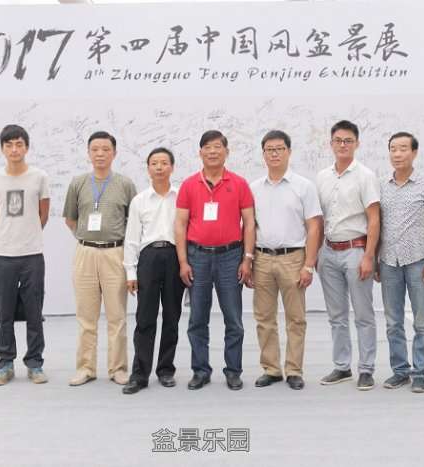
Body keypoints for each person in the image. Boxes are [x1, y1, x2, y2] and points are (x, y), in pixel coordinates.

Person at [174, 130, 255, 391]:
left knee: (234, 319)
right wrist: (183, 262)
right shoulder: (189, 185)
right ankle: (200, 370)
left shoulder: (239, 183)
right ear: (200, 152)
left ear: (226, 152)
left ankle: (233, 371)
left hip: (231, 256)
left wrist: (247, 259)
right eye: (207, 147)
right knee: (197, 318)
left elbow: (249, 223)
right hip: (197, 257)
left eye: (218, 146)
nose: (212, 151)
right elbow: (180, 224)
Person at [63, 131, 137, 386]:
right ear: (88, 153)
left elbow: (133, 223)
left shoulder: (125, 184)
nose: (100, 154)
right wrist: (88, 240)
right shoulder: (78, 183)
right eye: (95, 149)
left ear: (114, 153)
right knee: (86, 317)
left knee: (117, 316)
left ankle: (118, 369)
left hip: (115, 253)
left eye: (106, 149)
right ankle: (85, 368)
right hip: (85, 253)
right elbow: (70, 219)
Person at [249, 130, 321, 390]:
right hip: (262, 259)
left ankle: (293, 370)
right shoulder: (254, 188)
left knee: (296, 318)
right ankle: (271, 369)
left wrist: (309, 265)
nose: (275, 154)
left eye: (280, 148)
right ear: (263, 154)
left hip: (293, 258)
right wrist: (248, 260)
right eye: (270, 149)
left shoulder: (304, 186)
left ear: (289, 152)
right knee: (264, 318)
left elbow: (314, 226)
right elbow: (249, 226)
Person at [316, 120, 380, 391]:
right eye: (338, 140)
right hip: (329, 252)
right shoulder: (322, 177)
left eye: (348, 141)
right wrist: (316, 254)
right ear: (331, 143)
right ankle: (342, 366)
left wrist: (369, 256)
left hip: (356, 251)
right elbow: (319, 219)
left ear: (357, 144)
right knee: (337, 315)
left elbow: (374, 218)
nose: (343, 145)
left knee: (363, 314)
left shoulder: (365, 176)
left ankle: (366, 369)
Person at [0, 124, 50, 386]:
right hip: (3, 255)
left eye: (19, 144)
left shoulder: (39, 177)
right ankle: (5, 364)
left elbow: (43, 214)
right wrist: (10, 235)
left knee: (34, 312)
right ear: (2, 148)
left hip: (33, 254)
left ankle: (35, 363)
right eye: (9, 145)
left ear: (27, 147)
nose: (14, 149)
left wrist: (28, 235)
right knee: (4, 314)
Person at [375, 132, 424, 393]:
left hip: (418, 261)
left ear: (414, 152)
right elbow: (376, 223)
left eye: (403, 148)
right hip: (389, 262)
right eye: (393, 149)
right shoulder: (381, 185)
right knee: (393, 322)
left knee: (422, 322)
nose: (397, 154)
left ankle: (420, 372)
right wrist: (376, 258)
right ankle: (400, 371)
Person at [121, 148, 185, 394]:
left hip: (174, 257)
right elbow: (131, 239)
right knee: (145, 318)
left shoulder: (181, 197)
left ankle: (166, 370)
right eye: (154, 163)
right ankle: (140, 374)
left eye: (164, 163)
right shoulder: (140, 200)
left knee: (172, 316)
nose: (159, 167)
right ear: (148, 168)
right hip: (148, 258)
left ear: (172, 167)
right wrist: (131, 272)